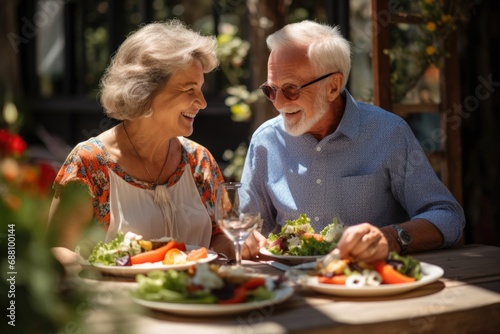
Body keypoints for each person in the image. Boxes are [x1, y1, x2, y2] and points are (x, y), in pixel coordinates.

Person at [241, 20, 465, 264]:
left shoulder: (388, 133)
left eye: (291, 89)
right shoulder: (266, 140)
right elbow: (246, 228)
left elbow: (448, 216)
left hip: (370, 285)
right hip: (292, 288)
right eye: (271, 90)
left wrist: (391, 238)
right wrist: (247, 239)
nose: (278, 103)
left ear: (333, 86)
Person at [47, 20, 233, 272]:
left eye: (200, 89)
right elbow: (55, 249)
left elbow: (221, 235)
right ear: (145, 91)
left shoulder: (199, 161)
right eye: (189, 89)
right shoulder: (90, 163)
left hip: (198, 304)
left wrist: (220, 255)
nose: (201, 102)